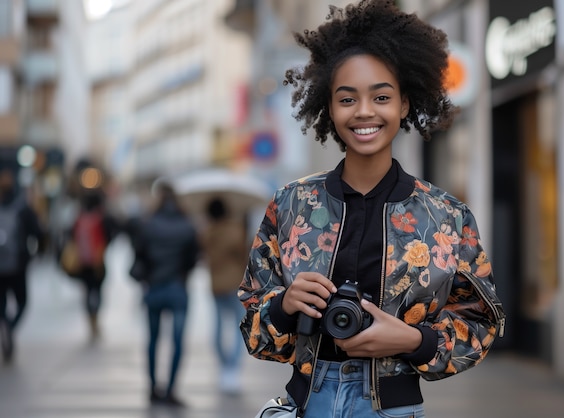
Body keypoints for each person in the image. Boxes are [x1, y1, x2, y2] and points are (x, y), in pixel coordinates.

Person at [238, 1, 506, 417]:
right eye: (348, 99)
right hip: (305, 403)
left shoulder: (447, 217)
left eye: (381, 96)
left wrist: (412, 341)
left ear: (403, 104)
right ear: (329, 107)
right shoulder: (291, 204)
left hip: (393, 408)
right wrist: (285, 304)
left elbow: (482, 324)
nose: (364, 112)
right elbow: (253, 326)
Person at [131, 182, 199, 407]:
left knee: (153, 340)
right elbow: (192, 259)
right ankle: (170, 390)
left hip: (154, 288)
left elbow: (139, 254)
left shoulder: (147, 224)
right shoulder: (187, 225)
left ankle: (152, 388)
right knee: (177, 341)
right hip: (177, 288)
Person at [199, 198, 248, 395]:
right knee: (238, 328)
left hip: (216, 285)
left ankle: (224, 363)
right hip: (236, 285)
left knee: (218, 327)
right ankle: (232, 368)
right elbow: (245, 257)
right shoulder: (236, 231)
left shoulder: (207, 233)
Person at [0, 168, 44, 363]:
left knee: (1, 306)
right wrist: (35, 255)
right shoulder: (22, 208)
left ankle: (6, 326)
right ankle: (10, 327)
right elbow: (39, 233)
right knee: (22, 303)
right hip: (18, 265)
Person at [69, 192, 117, 340]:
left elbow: (71, 237)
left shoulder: (79, 219)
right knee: (98, 291)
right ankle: (96, 319)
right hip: (98, 262)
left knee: (87, 291)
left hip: (83, 263)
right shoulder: (101, 218)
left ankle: (90, 320)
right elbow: (109, 236)